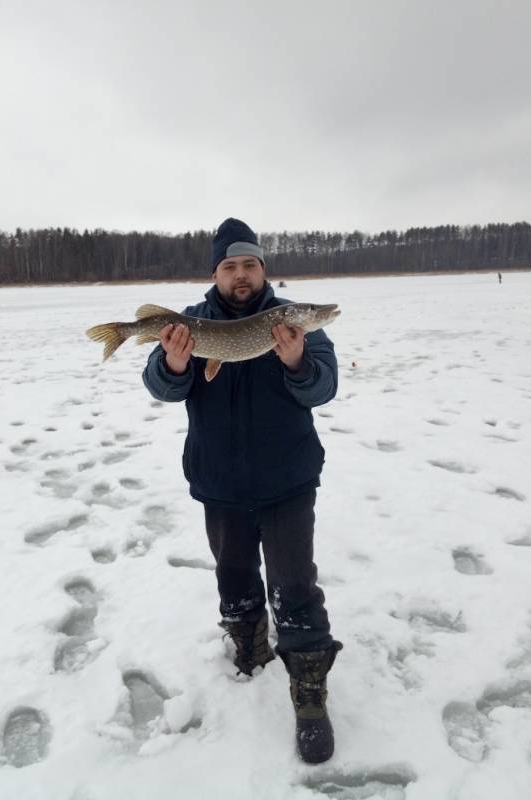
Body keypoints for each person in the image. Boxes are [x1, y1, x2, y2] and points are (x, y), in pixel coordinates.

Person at [142, 218, 342, 763]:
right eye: (229, 266)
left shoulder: (293, 322)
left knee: (295, 584)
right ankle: (249, 640)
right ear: (216, 273)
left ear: (264, 270)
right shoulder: (193, 323)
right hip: (220, 483)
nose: (241, 275)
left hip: (287, 482)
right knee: (233, 574)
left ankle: (308, 690)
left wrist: (297, 360)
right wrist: (175, 362)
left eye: (249, 264)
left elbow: (323, 386)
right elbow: (161, 384)